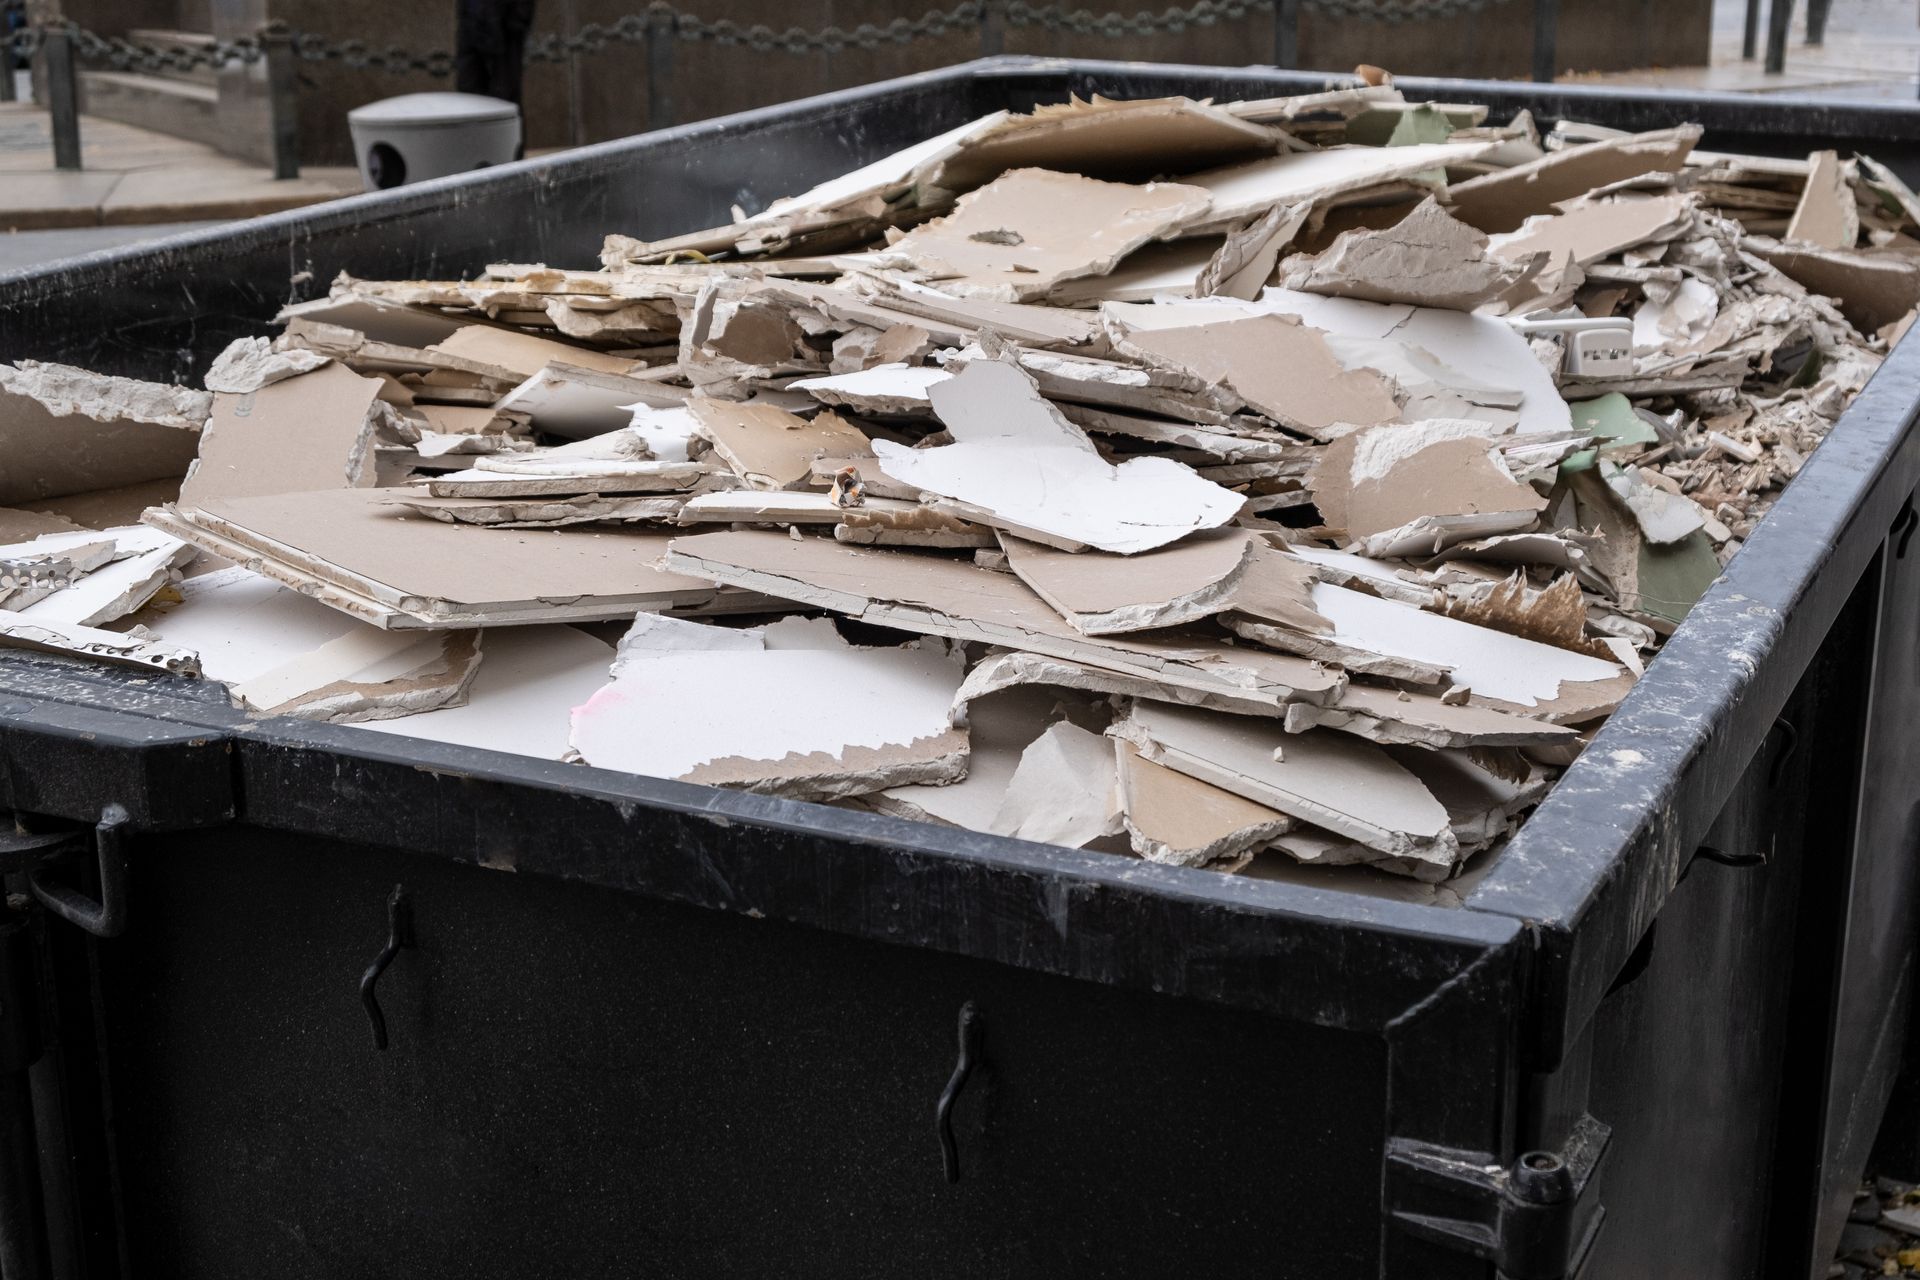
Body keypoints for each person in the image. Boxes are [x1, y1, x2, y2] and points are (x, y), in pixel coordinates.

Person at [455, 0, 535, 106]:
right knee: (469, 94)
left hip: (505, 28)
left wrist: (516, 20)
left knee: (505, 95)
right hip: (471, 25)